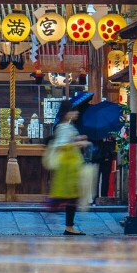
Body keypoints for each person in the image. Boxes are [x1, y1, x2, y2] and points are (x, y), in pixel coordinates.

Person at [47, 100, 88, 236]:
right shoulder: (64, 127)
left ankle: (69, 226)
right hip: (67, 165)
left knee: (71, 196)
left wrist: (77, 139)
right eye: (73, 110)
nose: (76, 113)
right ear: (66, 113)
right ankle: (68, 225)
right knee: (71, 196)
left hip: (70, 164)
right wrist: (78, 144)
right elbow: (62, 145)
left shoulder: (67, 126)